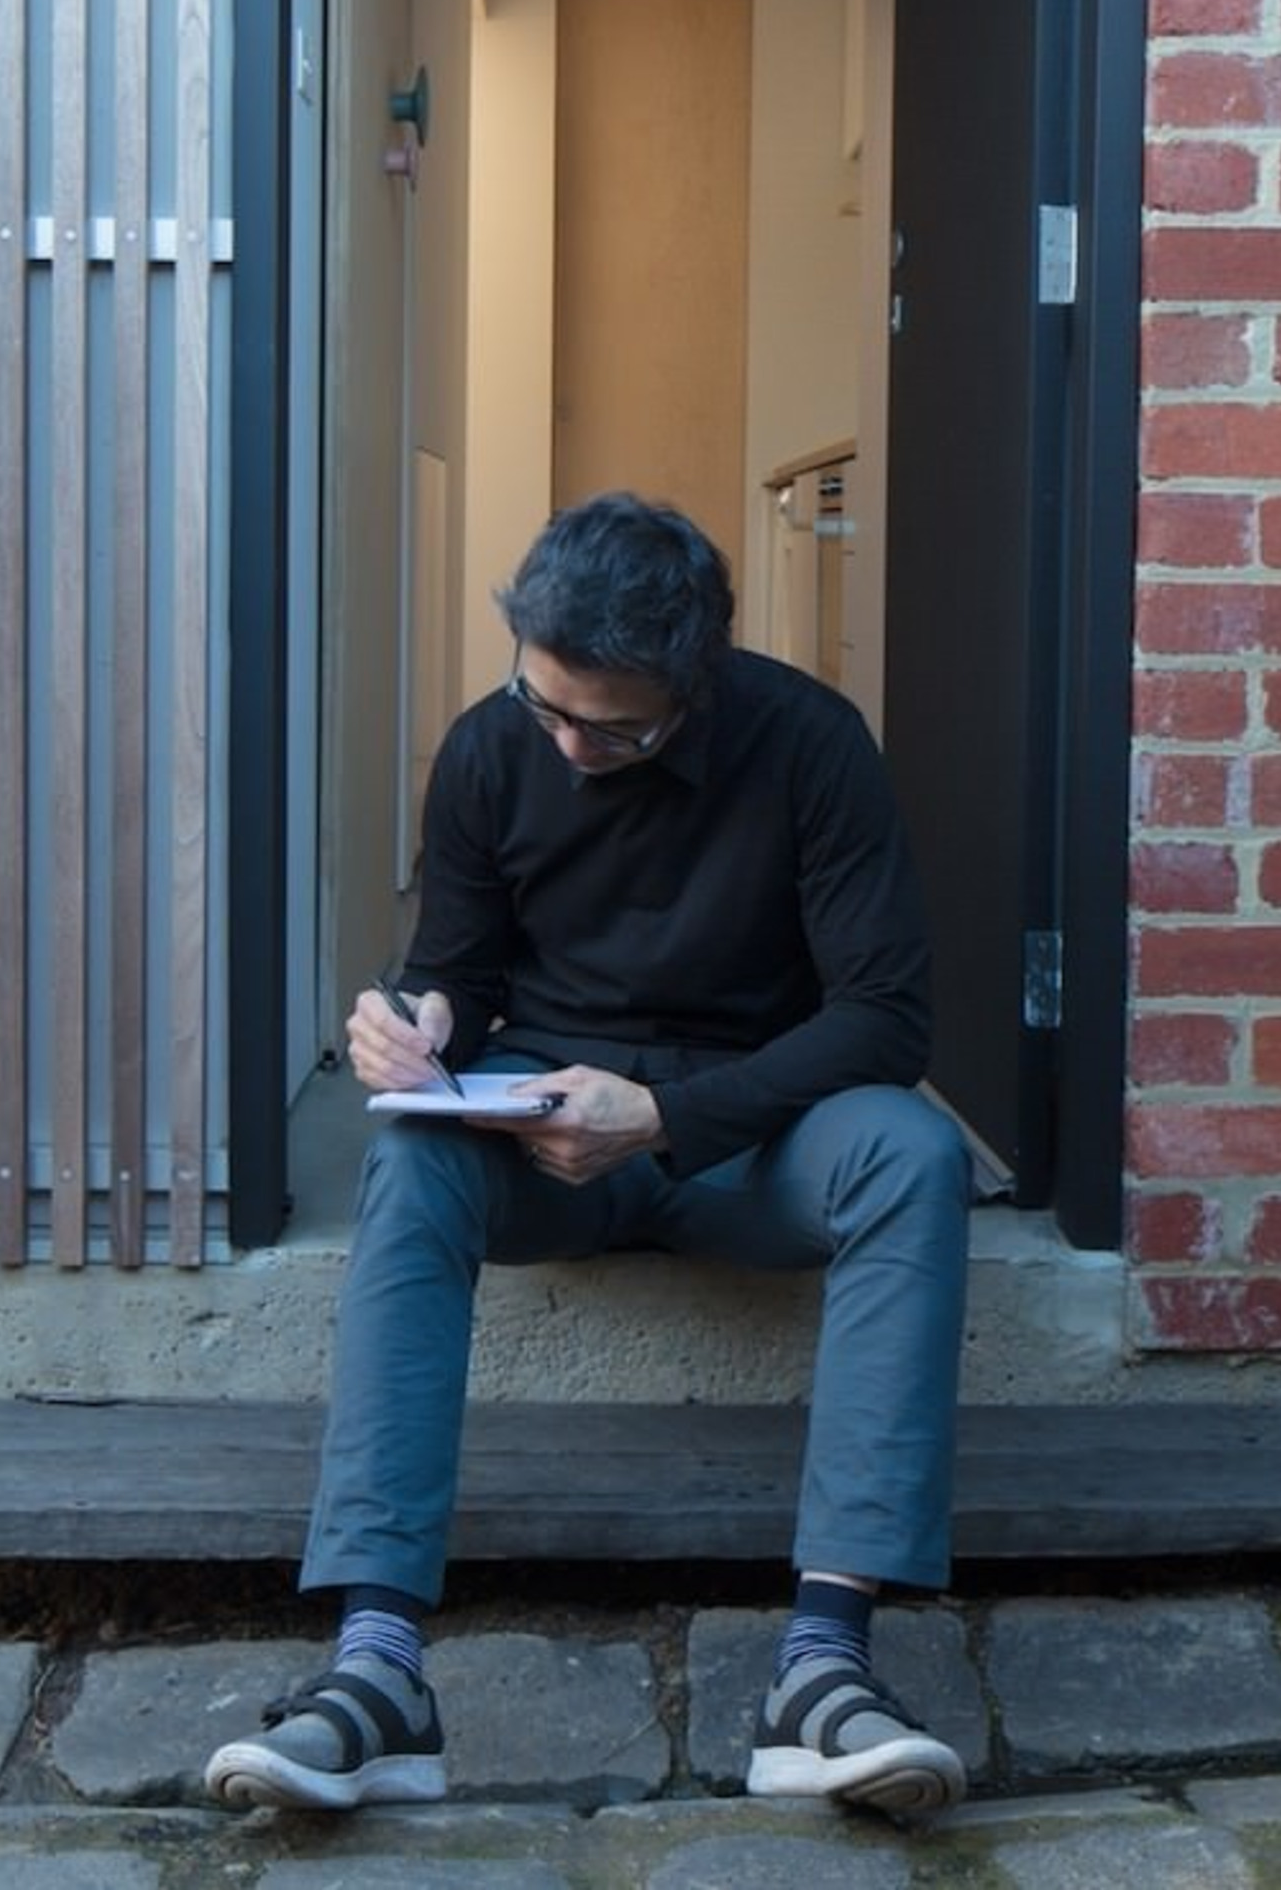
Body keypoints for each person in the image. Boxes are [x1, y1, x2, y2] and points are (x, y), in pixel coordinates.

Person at [204, 489, 972, 1825]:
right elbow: (458, 968)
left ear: (695, 681)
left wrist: (668, 1119)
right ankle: (377, 1669)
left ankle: (823, 1667)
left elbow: (886, 1021)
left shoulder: (811, 746)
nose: (562, 744)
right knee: (409, 1163)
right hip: (546, 1131)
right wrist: (421, 1023)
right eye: (541, 703)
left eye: (602, 727)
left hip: (752, 1140)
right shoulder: (495, 747)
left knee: (911, 1154)